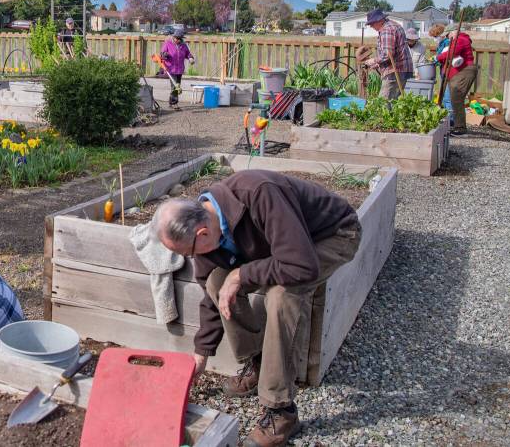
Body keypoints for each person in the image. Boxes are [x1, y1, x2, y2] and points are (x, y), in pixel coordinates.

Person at [152, 170, 361, 447]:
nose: (188, 259)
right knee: (218, 281)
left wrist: (240, 275)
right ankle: (261, 364)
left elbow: (301, 265)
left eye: (186, 253)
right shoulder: (206, 233)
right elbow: (210, 294)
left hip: (333, 235)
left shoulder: (259, 193)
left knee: (281, 295)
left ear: (202, 233)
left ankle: (281, 410)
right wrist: (202, 352)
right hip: (290, 248)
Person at [362, 9, 413, 100]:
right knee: (394, 102)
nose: (371, 26)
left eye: (372, 23)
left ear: (379, 20)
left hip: (395, 71)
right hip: (402, 69)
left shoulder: (387, 30)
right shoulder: (393, 25)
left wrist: (373, 60)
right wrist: (378, 64)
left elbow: (387, 54)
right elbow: (394, 52)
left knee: (383, 103)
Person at [436, 27, 477, 135]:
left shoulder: (460, 39)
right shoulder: (457, 39)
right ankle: (457, 125)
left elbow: (452, 53)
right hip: (459, 72)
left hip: (464, 71)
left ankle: (460, 127)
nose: (447, 37)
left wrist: (438, 58)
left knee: (457, 97)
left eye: (448, 34)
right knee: (455, 98)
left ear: (453, 32)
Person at [159, 28, 195, 109]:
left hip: (180, 69)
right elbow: (162, 53)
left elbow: (188, 53)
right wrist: (165, 55)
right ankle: (174, 103)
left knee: (176, 85)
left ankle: (171, 102)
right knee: (175, 86)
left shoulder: (184, 45)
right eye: (176, 38)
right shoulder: (168, 43)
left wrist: (190, 58)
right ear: (173, 37)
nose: (177, 40)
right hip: (170, 68)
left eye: (179, 39)